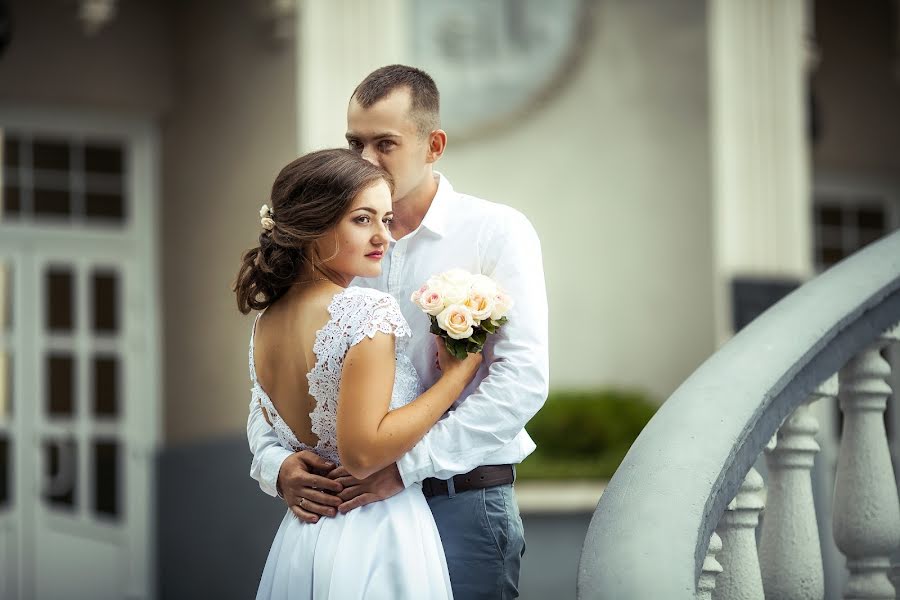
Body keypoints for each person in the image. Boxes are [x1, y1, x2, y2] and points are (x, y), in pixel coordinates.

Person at [247, 65, 550, 599]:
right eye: (354, 142)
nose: (365, 161)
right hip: (343, 515)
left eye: (384, 143)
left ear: (433, 144)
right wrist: (277, 466)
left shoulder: (495, 232)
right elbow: (278, 387)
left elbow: (521, 383)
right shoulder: (333, 255)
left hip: (461, 502)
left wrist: (402, 469)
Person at [236, 148, 483, 599]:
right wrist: (455, 378)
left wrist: (279, 469)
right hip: (376, 535)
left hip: (304, 537)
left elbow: (266, 423)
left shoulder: (264, 324)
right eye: (363, 219)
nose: (382, 237)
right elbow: (363, 454)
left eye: (386, 221)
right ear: (314, 224)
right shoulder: (365, 310)